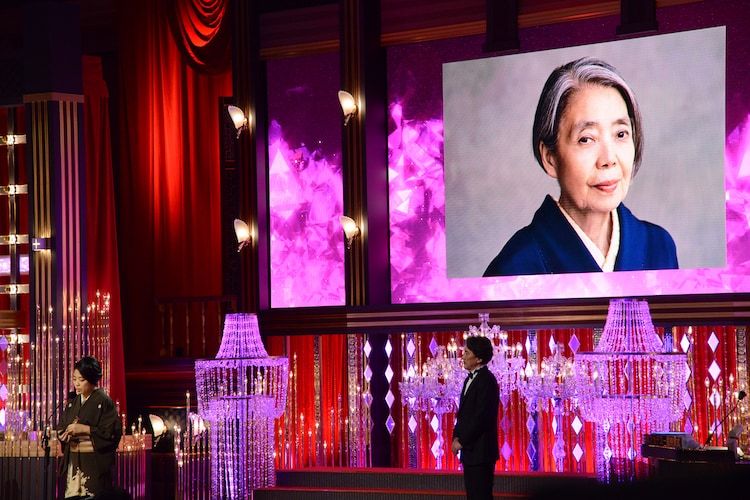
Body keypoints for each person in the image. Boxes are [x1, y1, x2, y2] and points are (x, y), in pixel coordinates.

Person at [484, 57, 678, 277]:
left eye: (621, 134)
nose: (609, 159)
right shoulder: (514, 269)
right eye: (586, 139)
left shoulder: (659, 247)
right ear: (550, 158)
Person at [57, 356, 122, 499]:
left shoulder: (104, 402)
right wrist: (63, 434)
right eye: (74, 379)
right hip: (74, 460)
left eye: (81, 380)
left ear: (92, 380)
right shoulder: (72, 402)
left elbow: (111, 432)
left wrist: (86, 430)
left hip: (93, 462)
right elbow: (62, 425)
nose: (77, 384)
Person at [451, 336, 499, 500]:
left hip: (481, 451)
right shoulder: (469, 380)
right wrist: (456, 436)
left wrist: (462, 441)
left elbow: (481, 417)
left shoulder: (487, 381)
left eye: (466, 353)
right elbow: (464, 414)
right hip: (471, 452)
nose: (462, 357)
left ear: (478, 359)